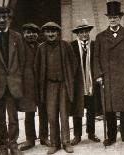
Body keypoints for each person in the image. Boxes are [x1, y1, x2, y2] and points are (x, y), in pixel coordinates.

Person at [94, 1, 124, 146]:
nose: (113, 19)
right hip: (108, 78)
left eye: (116, 17)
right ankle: (112, 137)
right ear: (108, 19)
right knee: (110, 110)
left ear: (120, 18)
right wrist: (99, 75)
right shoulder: (100, 37)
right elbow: (96, 58)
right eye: (111, 17)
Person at [0, 6, 25, 155]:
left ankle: (13, 144)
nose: (2, 20)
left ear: (8, 18)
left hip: (13, 83)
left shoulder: (17, 37)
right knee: (0, 118)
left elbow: (22, 60)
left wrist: (19, 79)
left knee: (13, 117)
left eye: (4, 17)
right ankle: (3, 146)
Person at [35, 22, 77, 154]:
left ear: (58, 33)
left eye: (53, 31)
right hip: (49, 86)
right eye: (48, 32)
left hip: (63, 85)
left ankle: (66, 142)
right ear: (44, 34)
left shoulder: (65, 45)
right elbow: (37, 67)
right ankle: (54, 143)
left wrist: (68, 79)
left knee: (64, 115)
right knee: (52, 116)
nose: (51, 34)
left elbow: (74, 64)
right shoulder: (41, 48)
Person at [19, 23, 50, 151]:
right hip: (27, 85)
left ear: (37, 34)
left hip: (41, 84)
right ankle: (30, 139)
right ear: (23, 34)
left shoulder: (42, 47)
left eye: (33, 32)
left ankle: (44, 137)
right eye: (27, 32)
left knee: (44, 111)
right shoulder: (19, 47)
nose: (30, 35)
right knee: (29, 112)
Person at [70, 19, 101, 146]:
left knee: (91, 109)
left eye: (86, 32)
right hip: (78, 84)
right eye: (81, 32)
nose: (84, 34)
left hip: (91, 83)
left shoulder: (94, 45)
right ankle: (77, 135)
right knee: (77, 110)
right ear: (77, 34)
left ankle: (91, 133)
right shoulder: (71, 46)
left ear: (89, 32)